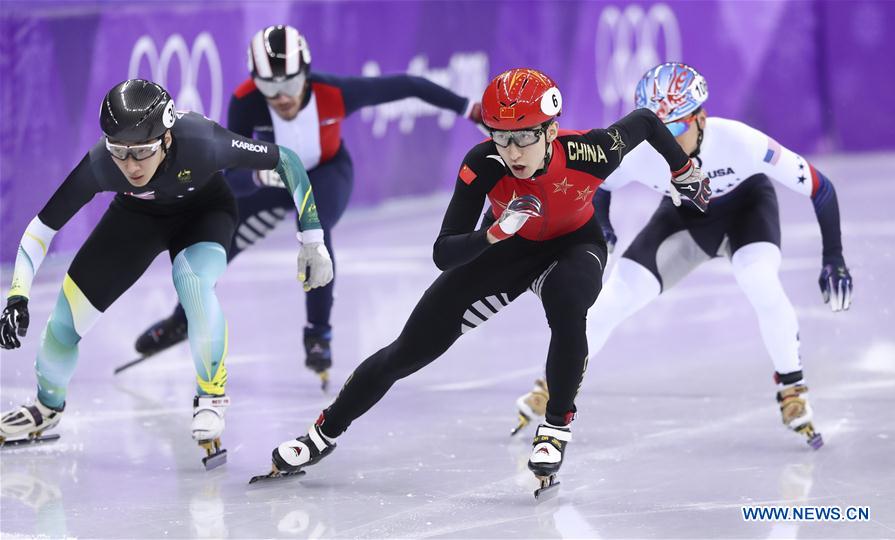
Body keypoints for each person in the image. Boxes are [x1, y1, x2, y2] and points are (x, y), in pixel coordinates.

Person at [255, 68, 710, 497]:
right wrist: (494, 232)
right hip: (505, 248)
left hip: (574, 245)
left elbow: (649, 121)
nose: (512, 152)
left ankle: (554, 426)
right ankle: (322, 433)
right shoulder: (483, 164)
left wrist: (683, 170)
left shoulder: (591, 151)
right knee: (406, 352)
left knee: (570, 306)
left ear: (551, 132)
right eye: (500, 137)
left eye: (524, 138)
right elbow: (443, 251)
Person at [511, 63, 852, 449]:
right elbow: (599, 187)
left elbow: (821, 188)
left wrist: (834, 257)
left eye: (673, 129)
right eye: (653, 129)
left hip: (747, 214)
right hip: (684, 221)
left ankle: (792, 389)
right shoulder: (638, 154)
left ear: (701, 118)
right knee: (613, 298)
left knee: (760, 280)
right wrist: (601, 226)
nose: (662, 142)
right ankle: (554, 386)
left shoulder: (742, 142)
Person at [0, 79, 332, 468]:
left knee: (191, 279)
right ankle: (46, 406)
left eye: (141, 151)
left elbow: (286, 160)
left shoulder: (204, 142)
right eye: (119, 152)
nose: (130, 165)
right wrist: (17, 294)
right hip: (136, 220)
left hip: (204, 213)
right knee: (63, 324)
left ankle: (211, 396)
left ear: (168, 138)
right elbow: (42, 228)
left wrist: (312, 239)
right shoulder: (102, 164)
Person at [133, 25, 485, 388]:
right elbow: (233, 171)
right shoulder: (245, 101)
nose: (281, 97)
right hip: (272, 178)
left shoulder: (335, 92)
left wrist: (469, 109)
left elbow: (409, 85)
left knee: (314, 225)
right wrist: (259, 180)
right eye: (269, 87)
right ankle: (180, 319)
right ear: (256, 82)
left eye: (289, 84)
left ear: (307, 73)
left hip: (326, 174)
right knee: (224, 235)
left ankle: (318, 333)